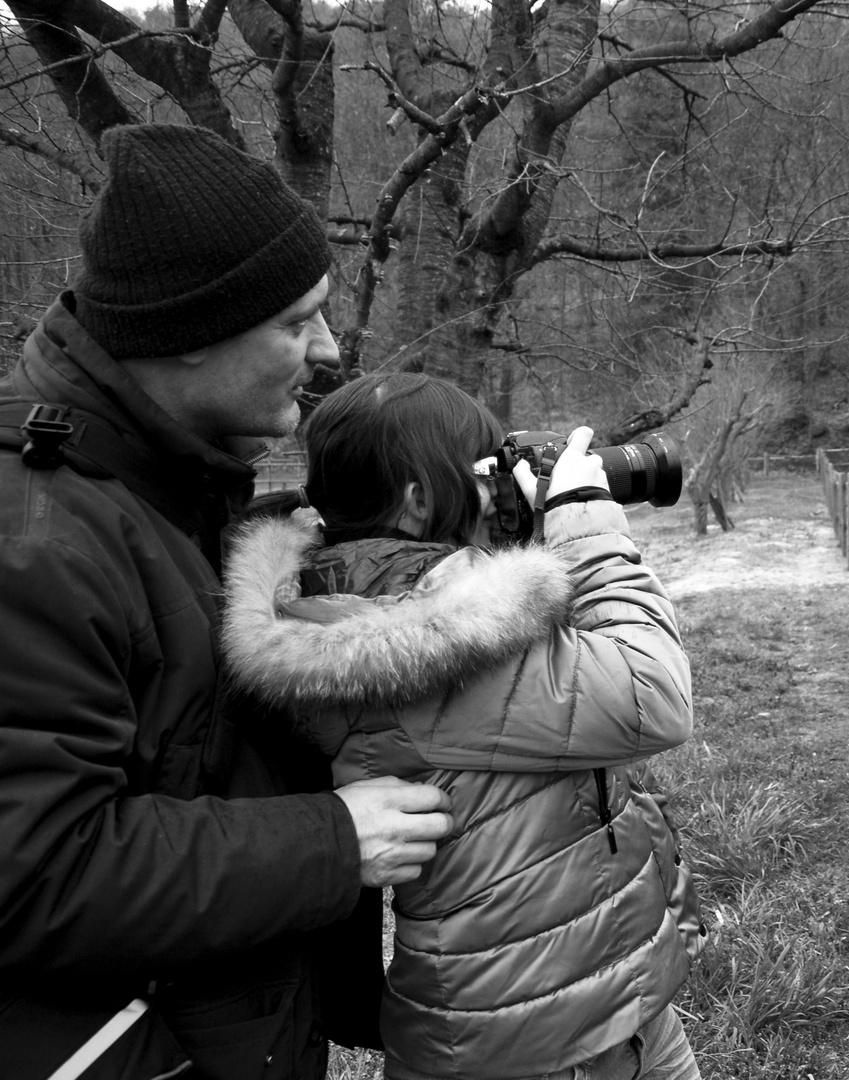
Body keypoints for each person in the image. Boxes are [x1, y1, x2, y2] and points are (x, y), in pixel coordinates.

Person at [0, 124, 453, 1079]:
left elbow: (187, 751)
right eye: (295, 321)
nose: (326, 348)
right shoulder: (18, 540)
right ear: (187, 337)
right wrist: (334, 838)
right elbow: (22, 877)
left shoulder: (160, 492)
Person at [219, 372, 704, 1080]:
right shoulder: (426, 637)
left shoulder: (358, 603)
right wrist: (584, 521)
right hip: (534, 1036)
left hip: (565, 999)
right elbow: (653, 694)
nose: (499, 487)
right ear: (419, 499)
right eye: (483, 473)